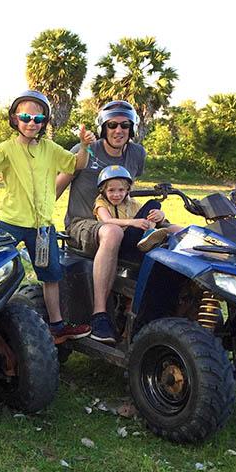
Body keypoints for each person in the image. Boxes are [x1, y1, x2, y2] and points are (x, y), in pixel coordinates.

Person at [0, 90, 96, 344]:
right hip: (10, 223)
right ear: (14, 119)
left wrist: (84, 146)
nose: (32, 123)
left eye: (38, 119)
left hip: (42, 227)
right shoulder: (7, 149)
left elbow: (76, 164)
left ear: (44, 122)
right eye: (26, 117)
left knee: (51, 276)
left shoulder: (50, 148)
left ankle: (57, 326)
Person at [56, 100, 170, 344]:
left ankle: (161, 310)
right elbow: (56, 187)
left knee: (169, 231)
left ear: (132, 128)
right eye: (112, 125)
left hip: (120, 218)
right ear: (103, 128)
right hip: (84, 223)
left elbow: (125, 189)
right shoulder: (85, 149)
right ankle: (100, 317)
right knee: (112, 232)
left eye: (125, 125)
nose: (119, 130)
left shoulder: (137, 154)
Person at [93, 165, 182, 259]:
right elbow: (107, 220)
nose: (116, 194)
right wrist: (132, 222)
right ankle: (150, 236)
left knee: (154, 204)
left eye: (121, 190)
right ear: (103, 191)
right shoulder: (102, 203)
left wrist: (160, 215)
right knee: (152, 207)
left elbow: (145, 215)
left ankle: (151, 235)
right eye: (111, 190)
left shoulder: (132, 203)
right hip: (118, 242)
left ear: (127, 190)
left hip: (137, 239)